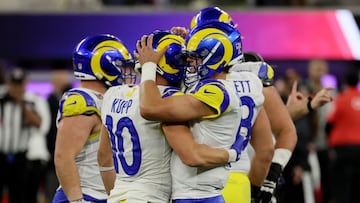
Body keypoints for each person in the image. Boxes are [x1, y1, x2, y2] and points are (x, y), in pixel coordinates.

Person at [98, 30, 245, 203]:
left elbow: (103, 158)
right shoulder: (166, 99)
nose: (186, 65)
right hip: (150, 197)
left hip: (117, 195)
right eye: (181, 60)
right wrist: (233, 154)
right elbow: (191, 154)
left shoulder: (113, 94)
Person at [136, 22, 273, 202]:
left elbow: (151, 108)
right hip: (215, 186)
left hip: (200, 192)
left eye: (196, 58)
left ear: (214, 57)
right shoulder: (244, 83)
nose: (189, 64)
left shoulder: (215, 92)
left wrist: (149, 67)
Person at [53, 34, 135, 203]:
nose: (126, 72)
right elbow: (63, 156)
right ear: (103, 66)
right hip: (86, 194)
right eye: (121, 66)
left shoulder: (108, 97)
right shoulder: (83, 100)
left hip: (104, 194)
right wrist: (77, 200)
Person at [0, 67, 50, 203]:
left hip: (22, 157)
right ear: (7, 83)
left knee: (20, 196)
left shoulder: (33, 101)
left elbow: (41, 125)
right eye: (13, 83)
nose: (16, 88)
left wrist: (21, 104)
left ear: (25, 83)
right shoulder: (2, 99)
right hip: (1, 155)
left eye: (19, 84)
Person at [326, 69, 360, 203]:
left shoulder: (340, 100)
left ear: (345, 82)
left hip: (343, 151)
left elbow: (329, 124)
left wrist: (330, 146)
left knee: (341, 187)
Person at [46, 69, 73, 203]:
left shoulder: (75, 101)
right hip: (52, 155)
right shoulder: (48, 102)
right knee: (53, 190)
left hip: (72, 156)